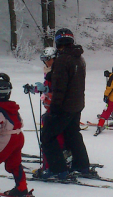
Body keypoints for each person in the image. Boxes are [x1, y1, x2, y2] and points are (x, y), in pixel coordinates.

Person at [38, 28, 90, 180]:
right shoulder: (78, 58)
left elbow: (60, 87)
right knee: (72, 134)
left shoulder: (62, 60)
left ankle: (57, 169)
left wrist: (54, 109)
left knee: (47, 137)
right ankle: (82, 165)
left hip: (65, 106)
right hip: (77, 104)